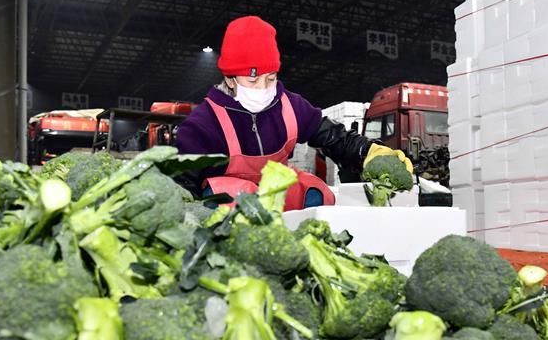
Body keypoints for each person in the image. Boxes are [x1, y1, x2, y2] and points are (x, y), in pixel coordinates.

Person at [174, 15, 411, 210]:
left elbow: (335, 138)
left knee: (315, 191)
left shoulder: (290, 106)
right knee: (226, 197)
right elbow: (183, 186)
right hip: (232, 212)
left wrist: (368, 152)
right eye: (253, 80)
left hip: (276, 197)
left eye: (270, 78)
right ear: (230, 79)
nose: (263, 89)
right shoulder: (203, 123)